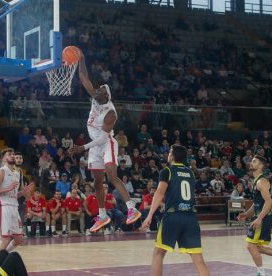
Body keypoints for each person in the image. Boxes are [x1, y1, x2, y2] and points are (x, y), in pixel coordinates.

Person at [72, 51, 141, 233]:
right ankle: (102, 216)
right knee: (96, 182)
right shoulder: (95, 96)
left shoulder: (111, 113)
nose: (96, 92)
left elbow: (103, 138)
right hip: (95, 145)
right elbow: (83, 76)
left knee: (111, 176)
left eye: (100, 91)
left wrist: (82, 147)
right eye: (97, 90)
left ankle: (131, 209)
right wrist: (82, 59)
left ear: (106, 96)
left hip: (106, 142)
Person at [142, 145, 209, 276]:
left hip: (173, 216)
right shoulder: (190, 172)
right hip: (190, 218)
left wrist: (149, 215)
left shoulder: (167, 171)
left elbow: (159, 193)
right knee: (198, 259)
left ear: (172, 156)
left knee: (158, 254)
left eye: (169, 153)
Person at [0, 148, 33, 264]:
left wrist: (22, 193)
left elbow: (13, 195)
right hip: (4, 207)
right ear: (4, 158)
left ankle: (0, 258)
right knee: (5, 237)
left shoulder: (15, 174)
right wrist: (8, 188)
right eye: (10, 154)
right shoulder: (1, 171)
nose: (13, 156)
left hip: (14, 207)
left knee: (19, 239)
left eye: (13, 154)